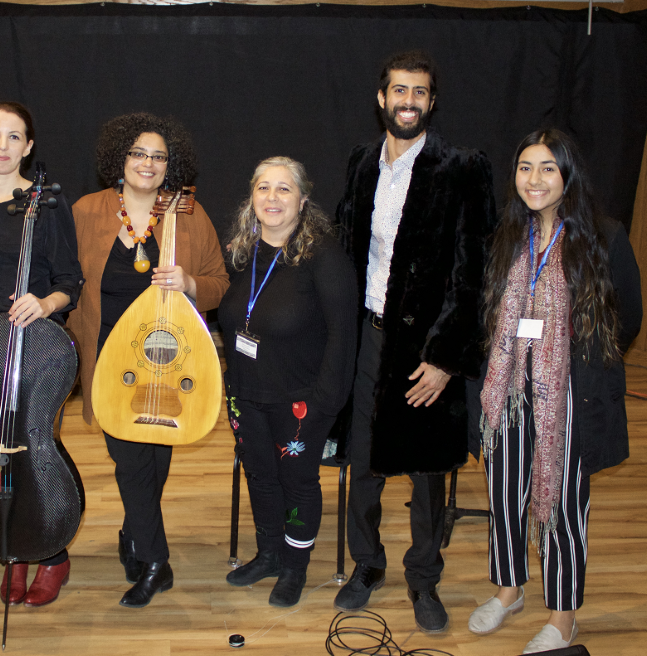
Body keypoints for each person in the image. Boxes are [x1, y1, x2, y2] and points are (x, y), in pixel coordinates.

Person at [332, 50, 497, 633]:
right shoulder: (360, 163)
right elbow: (344, 251)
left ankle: (423, 578)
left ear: (431, 101)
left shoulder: (463, 167)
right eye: (398, 91)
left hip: (429, 352)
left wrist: (447, 360)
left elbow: (475, 274)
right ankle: (366, 566)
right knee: (363, 465)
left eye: (419, 93)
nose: (408, 102)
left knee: (428, 474)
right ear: (381, 99)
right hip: (367, 341)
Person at [470, 129, 641, 653]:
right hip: (507, 392)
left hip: (569, 396)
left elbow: (628, 318)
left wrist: (570, 358)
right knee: (503, 494)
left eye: (548, 168)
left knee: (564, 505)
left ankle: (564, 617)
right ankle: (508, 589)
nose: (535, 179)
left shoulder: (603, 236)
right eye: (525, 167)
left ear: (568, 175)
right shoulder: (506, 235)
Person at [67, 112, 230, 608]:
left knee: (154, 465)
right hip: (111, 366)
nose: (148, 163)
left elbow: (220, 284)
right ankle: (156, 563)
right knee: (132, 463)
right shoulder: (85, 212)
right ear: (120, 159)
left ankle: (131, 533)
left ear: (170, 165)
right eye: (138, 153)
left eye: (159, 156)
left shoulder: (188, 215)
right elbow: (64, 281)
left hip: (169, 365)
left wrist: (191, 285)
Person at [0, 101, 83, 608]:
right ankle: (13, 548)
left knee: (36, 451)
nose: (3, 146)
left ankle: (50, 552)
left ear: (28, 146)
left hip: (32, 345)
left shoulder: (47, 202)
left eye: (14, 137)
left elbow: (70, 281)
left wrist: (45, 301)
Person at [218, 157, 357, 607]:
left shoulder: (325, 256)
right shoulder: (243, 252)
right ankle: (270, 554)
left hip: (300, 402)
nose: (272, 198)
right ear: (251, 197)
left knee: (297, 483)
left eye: (283, 189)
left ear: (302, 199)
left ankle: (295, 568)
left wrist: (325, 404)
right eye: (263, 188)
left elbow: (343, 335)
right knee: (260, 477)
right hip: (245, 394)